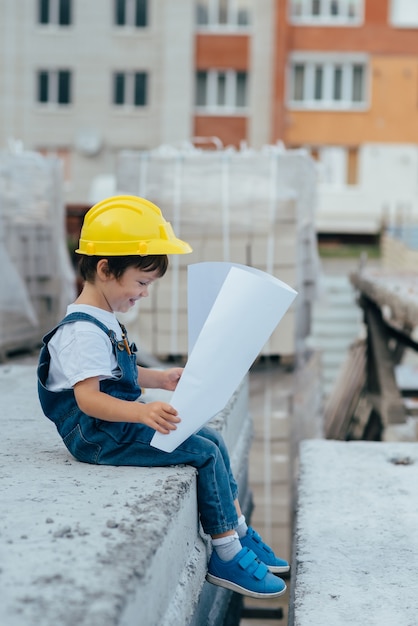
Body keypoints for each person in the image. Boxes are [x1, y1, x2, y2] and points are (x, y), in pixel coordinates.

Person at [37, 195, 289, 598]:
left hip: (113, 426)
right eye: (141, 283)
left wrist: (161, 378)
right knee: (203, 453)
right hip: (98, 437)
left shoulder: (102, 319)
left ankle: (238, 531)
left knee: (212, 439)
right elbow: (89, 400)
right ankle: (225, 552)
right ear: (105, 269)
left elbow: (117, 373)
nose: (144, 294)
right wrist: (142, 412)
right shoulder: (82, 331)